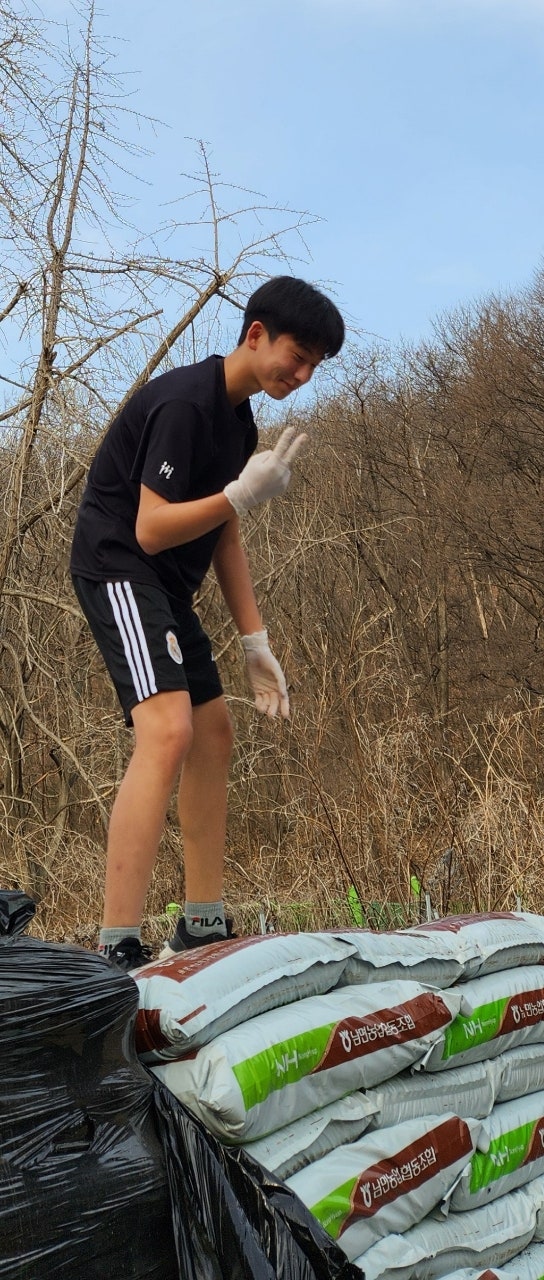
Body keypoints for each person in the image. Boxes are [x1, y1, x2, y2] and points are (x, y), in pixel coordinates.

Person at [70, 276, 344, 970]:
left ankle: (200, 924)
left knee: (214, 732)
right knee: (167, 729)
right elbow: (153, 528)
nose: (303, 374)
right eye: (297, 354)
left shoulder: (239, 423)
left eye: (316, 365)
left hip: (166, 587)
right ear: (256, 334)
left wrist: (257, 643)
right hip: (120, 567)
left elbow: (224, 533)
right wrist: (236, 493)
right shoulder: (185, 404)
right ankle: (117, 945)